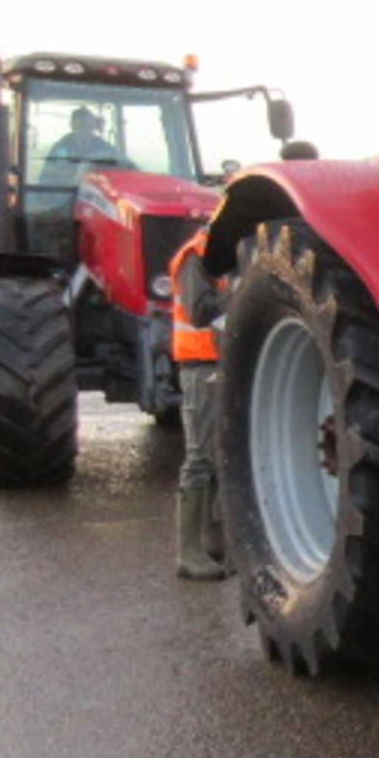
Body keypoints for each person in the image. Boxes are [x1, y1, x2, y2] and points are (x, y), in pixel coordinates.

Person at [169, 231, 227, 581]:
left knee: (218, 453)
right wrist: (244, 296)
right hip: (200, 364)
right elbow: (199, 310)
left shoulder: (218, 252)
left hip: (216, 362)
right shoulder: (196, 255)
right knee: (200, 457)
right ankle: (189, 554)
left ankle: (212, 543)